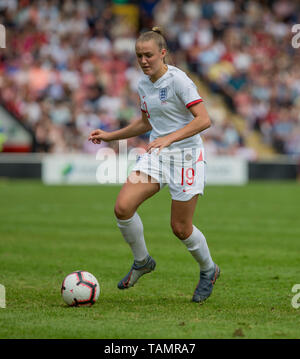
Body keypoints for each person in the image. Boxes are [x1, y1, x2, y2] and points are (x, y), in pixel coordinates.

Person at [88, 27, 220, 303]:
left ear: (163, 53)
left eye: (148, 55)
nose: (144, 60)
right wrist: (110, 135)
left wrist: (169, 139)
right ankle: (142, 261)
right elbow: (147, 122)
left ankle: (209, 270)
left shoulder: (179, 81)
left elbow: (203, 120)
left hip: (185, 157)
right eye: (139, 56)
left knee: (180, 228)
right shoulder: (143, 84)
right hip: (158, 155)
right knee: (122, 208)